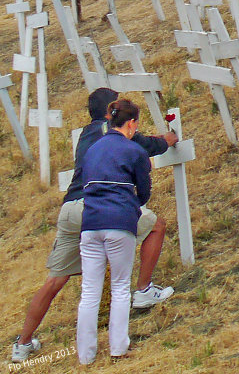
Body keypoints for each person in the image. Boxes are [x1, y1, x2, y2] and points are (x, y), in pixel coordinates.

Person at [11, 88, 178, 363]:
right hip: (99, 206)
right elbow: (141, 144)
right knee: (157, 226)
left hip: (70, 209)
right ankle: (145, 289)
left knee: (56, 279)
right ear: (109, 112)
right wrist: (167, 140)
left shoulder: (86, 136)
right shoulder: (109, 130)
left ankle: (24, 342)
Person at [77, 99, 148, 364]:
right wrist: (131, 206)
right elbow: (144, 190)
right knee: (120, 287)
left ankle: (85, 356)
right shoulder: (134, 151)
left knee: (90, 291)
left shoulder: (92, 150)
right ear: (131, 123)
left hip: (90, 223)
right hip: (119, 222)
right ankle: (118, 348)